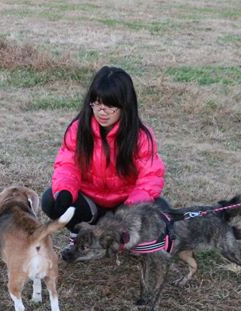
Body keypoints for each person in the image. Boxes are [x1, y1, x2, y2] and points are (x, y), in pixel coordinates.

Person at [41, 66, 166, 256]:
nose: (102, 111)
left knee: (163, 211)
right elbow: (67, 165)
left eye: (110, 105)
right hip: (90, 203)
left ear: (125, 105)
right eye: (97, 103)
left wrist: (127, 212)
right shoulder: (78, 129)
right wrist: (65, 191)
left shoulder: (141, 136)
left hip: (124, 205)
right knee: (51, 199)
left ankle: (127, 239)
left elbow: (150, 178)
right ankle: (80, 234)